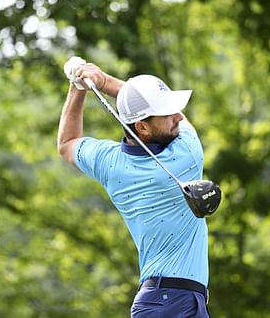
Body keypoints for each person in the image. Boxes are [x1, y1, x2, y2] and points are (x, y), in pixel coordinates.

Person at [57, 59, 211, 318]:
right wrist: (104, 82)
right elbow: (184, 122)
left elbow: (67, 143)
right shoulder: (186, 155)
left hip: (156, 302)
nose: (175, 117)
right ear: (142, 127)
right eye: (166, 114)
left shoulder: (109, 162)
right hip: (177, 302)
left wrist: (77, 87)